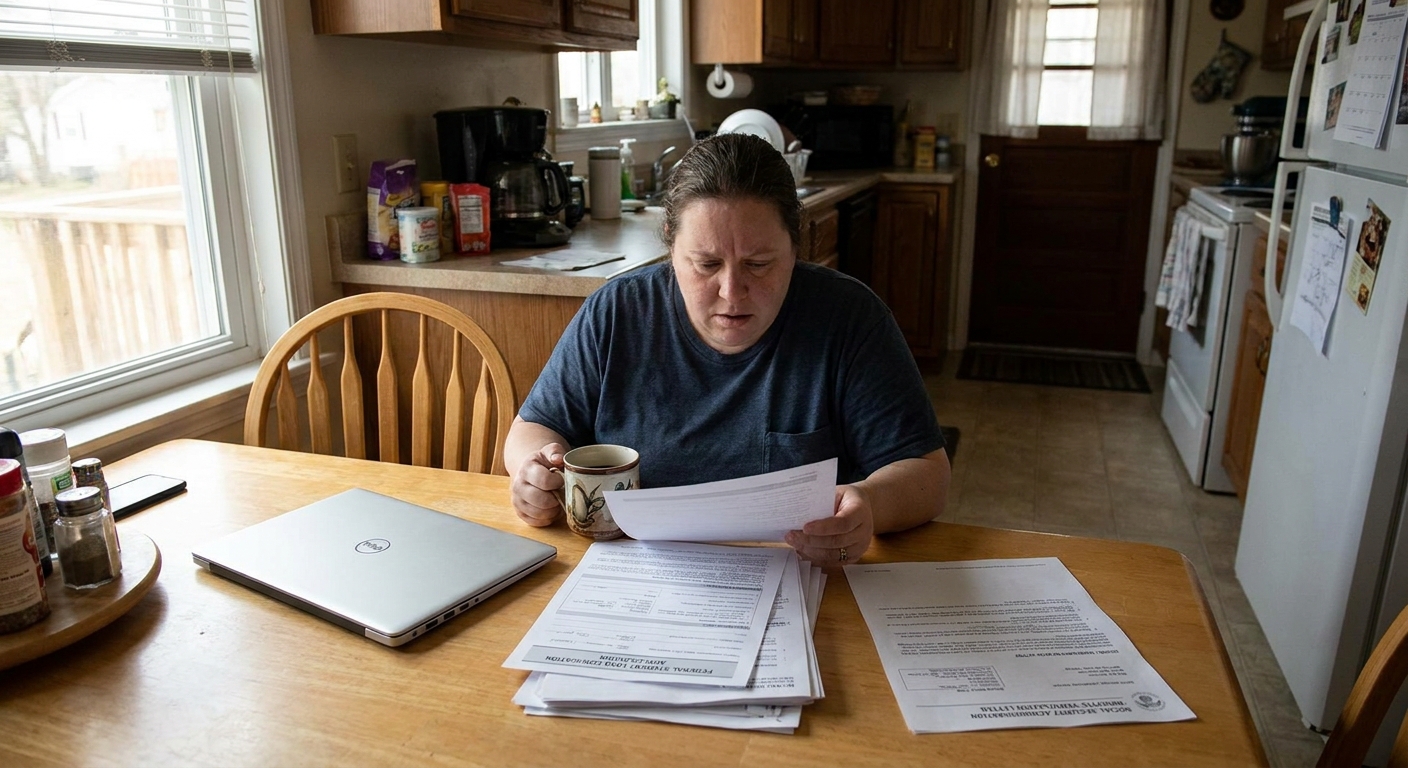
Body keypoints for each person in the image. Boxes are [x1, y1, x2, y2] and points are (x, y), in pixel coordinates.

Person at [506, 133, 951, 565]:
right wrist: (534, 471)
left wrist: (870, 502)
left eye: (759, 265)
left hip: (799, 580)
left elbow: (928, 474)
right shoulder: (617, 312)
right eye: (706, 264)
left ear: (796, 248)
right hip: (635, 578)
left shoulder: (849, 319)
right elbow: (535, 426)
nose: (732, 292)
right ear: (670, 247)